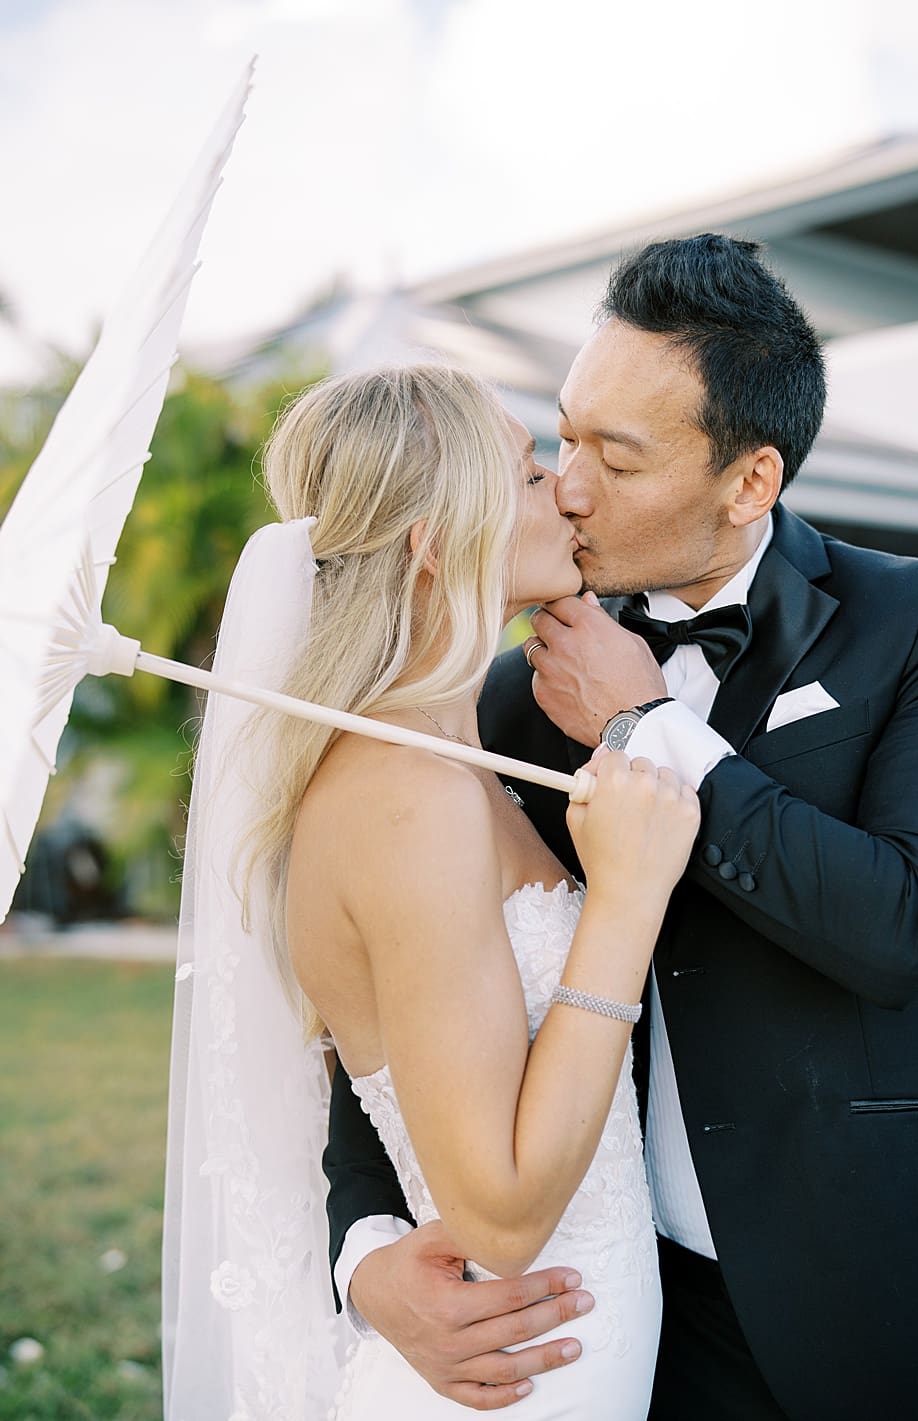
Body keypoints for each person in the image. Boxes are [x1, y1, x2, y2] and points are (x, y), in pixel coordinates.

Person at [325, 235, 918, 1420]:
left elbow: (908, 929)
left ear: (749, 481)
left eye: (612, 455)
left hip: (865, 1289)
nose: (565, 483)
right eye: (561, 436)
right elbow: (388, 1002)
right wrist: (365, 1251)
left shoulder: (912, 619)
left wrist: (652, 725)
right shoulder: (510, 691)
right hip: (610, 1313)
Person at [164, 364, 695, 1419]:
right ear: (436, 539)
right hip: (513, 1377)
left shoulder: (455, 761)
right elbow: (499, 1217)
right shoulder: (406, 798)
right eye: (529, 472)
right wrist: (627, 903)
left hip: (566, 1355)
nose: (567, 496)